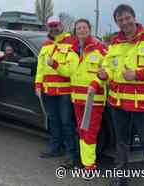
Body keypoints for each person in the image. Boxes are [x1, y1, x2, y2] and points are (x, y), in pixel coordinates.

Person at [98, 4, 144, 186]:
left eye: (126, 18)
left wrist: (139, 74)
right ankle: (120, 177)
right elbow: (108, 66)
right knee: (121, 144)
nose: (124, 22)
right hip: (119, 103)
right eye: (120, 20)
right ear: (117, 22)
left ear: (134, 17)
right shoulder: (115, 42)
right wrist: (105, 74)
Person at [48, 19, 107, 172]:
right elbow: (69, 72)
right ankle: (85, 161)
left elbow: (107, 72)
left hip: (93, 100)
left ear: (90, 29)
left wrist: (96, 82)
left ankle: (89, 165)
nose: (81, 30)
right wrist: (55, 65)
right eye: (78, 28)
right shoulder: (73, 50)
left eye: (84, 27)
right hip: (77, 99)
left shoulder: (99, 48)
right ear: (75, 31)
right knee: (82, 130)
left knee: (90, 132)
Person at [35, 17, 78, 168]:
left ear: (61, 25)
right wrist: (38, 84)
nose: (53, 28)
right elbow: (40, 67)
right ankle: (55, 148)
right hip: (48, 90)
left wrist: (56, 65)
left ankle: (71, 154)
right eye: (51, 26)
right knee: (53, 120)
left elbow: (71, 70)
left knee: (67, 123)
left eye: (56, 25)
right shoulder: (46, 45)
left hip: (65, 91)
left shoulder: (72, 42)